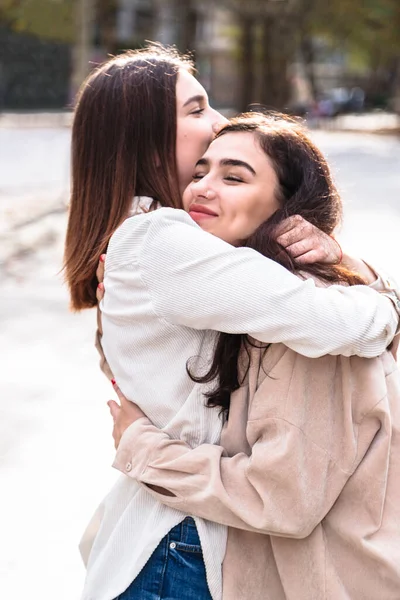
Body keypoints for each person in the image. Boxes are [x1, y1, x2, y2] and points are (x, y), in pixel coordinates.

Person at [63, 45, 399, 600]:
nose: (218, 120)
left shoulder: (153, 242)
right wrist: (382, 298)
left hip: (177, 536)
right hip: (186, 546)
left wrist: (345, 264)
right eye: (196, 110)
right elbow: (328, 321)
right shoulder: (159, 240)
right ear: (143, 137)